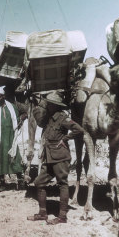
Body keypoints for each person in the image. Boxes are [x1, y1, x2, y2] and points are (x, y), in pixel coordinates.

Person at [27, 92, 84, 225]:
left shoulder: (63, 117)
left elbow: (79, 129)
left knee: (62, 184)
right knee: (39, 183)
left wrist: (65, 138)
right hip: (49, 157)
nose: (47, 106)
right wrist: (38, 103)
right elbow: (39, 119)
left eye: (49, 104)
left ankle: (62, 217)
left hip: (60, 157)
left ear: (54, 105)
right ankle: (42, 213)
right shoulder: (48, 117)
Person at [0, 87, 26, 191]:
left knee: (14, 157)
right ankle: (2, 183)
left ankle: (21, 181)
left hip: (10, 137)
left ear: (4, 96)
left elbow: (18, 119)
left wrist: (22, 118)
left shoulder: (12, 107)